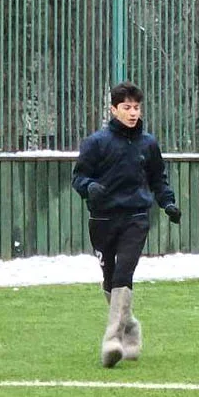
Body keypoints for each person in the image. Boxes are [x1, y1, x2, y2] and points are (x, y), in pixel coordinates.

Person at [72, 81, 181, 368]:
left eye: (137, 108)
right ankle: (130, 324)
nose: (133, 113)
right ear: (114, 109)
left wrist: (167, 203)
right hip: (102, 220)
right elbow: (78, 177)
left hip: (136, 217)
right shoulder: (96, 143)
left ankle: (112, 339)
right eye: (127, 108)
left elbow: (159, 179)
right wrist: (89, 187)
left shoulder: (148, 143)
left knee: (124, 271)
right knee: (109, 280)